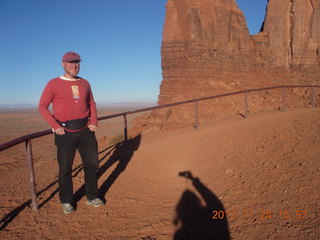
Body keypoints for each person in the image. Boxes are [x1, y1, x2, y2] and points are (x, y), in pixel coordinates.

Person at [38, 51, 104, 214]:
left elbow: (91, 103)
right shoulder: (53, 83)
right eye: (71, 62)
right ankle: (67, 201)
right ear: (63, 64)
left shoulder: (85, 83)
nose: (75, 65)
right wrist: (55, 125)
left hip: (85, 130)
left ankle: (92, 196)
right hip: (64, 131)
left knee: (92, 165)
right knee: (65, 169)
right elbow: (42, 106)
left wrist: (94, 120)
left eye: (77, 62)